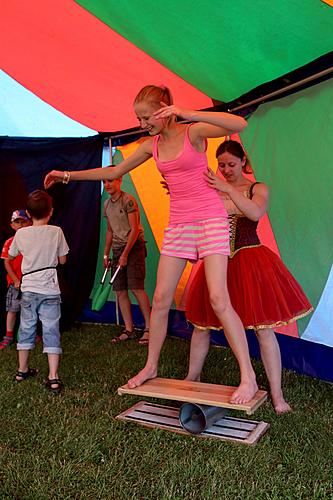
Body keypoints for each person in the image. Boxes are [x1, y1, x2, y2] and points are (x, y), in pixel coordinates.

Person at [44, 85, 257, 404]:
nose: (142, 123)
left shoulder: (194, 131)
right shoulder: (150, 145)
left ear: (163, 109)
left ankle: (248, 377)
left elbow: (239, 124)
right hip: (179, 223)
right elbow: (114, 170)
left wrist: (185, 112)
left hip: (210, 219)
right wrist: (67, 175)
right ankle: (151, 366)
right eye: (139, 118)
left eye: (146, 117)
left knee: (218, 298)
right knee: (159, 299)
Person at [185, 140, 313, 413]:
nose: (226, 170)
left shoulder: (258, 188)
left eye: (231, 164)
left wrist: (227, 188)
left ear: (243, 162)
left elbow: (254, 212)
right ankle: (191, 380)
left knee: (264, 330)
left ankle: (277, 397)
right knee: (202, 325)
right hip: (218, 261)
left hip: (251, 261)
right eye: (221, 165)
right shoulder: (212, 189)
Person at [9, 190, 69, 395]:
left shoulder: (20, 233)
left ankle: (22, 370)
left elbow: (11, 254)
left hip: (28, 289)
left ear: (27, 212)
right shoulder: (57, 231)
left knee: (26, 327)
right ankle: (53, 377)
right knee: (51, 329)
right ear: (50, 212)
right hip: (50, 289)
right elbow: (62, 260)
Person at [102, 177, 151, 344]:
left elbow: (135, 229)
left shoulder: (128, 200)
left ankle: (149, 328)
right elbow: (109, 230)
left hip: (134, 247)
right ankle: (129, 329)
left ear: (119, 180)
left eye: (110, 180)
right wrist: (106, 254)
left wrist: (125, 254)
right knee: (120, 290)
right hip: (117, 249)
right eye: (104, 182)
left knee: (137, 288)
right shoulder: (107, 204)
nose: (107, 185)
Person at [0, 210, 31, 350]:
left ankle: (29, 334)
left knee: (29, 311)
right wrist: (15, 280)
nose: (20, 225)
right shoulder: (9, 242)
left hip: (30, 283)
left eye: (23, 221)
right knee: (12, 310)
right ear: (12, 225)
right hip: (15, 284)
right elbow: (7, 263)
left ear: (29, 223)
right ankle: (8, 336)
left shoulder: (33, 241)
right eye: (17, 222)